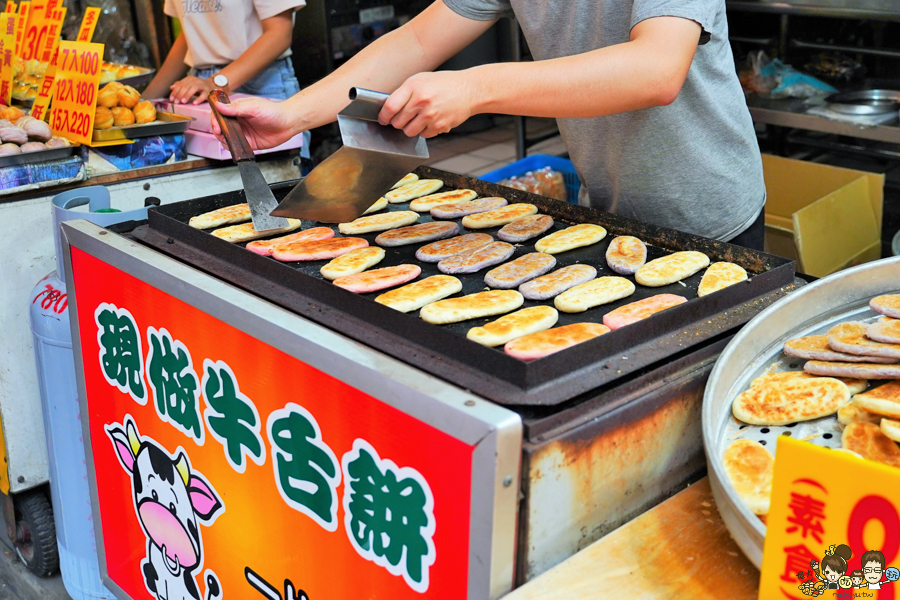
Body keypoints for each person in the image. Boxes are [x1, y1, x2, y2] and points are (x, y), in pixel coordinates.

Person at [210, 0, 766, 248]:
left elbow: (655, 70)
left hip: (710, 209)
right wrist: (291, 114)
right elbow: (417, 41)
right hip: (616, 204)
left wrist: (476, 88)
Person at [143, 0, 305, 104]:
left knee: (277, 157)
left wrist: (215, 83)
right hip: (201, 85)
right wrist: (144, 100)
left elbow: (279, 34)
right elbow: (191, 35)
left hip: (260, 83)